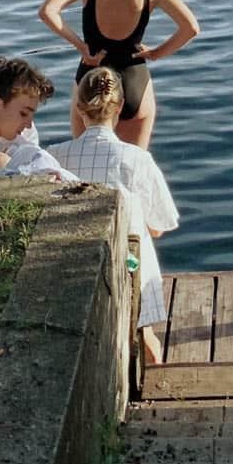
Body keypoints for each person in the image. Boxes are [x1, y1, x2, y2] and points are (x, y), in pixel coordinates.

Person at [38, 0, 200, 148]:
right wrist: (156, 53)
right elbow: (191, 28)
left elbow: (48, 11)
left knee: (85, 171)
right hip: (134, 80)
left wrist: (82, 47)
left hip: (91, 80)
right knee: (133, 172)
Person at [49, 66, 179, 365]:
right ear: (120, 107)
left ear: (79, 108)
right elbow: (160, 226)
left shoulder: (55, 157)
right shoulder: (137, 159)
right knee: (146, 337)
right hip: (129, 265)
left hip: (74, 267)